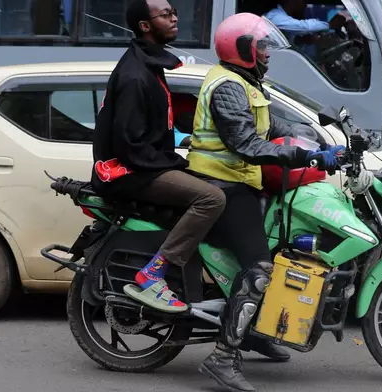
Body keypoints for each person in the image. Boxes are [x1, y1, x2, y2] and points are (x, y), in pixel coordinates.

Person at [189, 13, 344, 392]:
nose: (268, 53)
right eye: (261, 47)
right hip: (222, 186)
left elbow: (271, 126)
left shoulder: (246, 83)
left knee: (278, 249)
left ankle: (254, 330)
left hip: (243, 183)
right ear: (242, 49)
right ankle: (223, 357)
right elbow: (246, 144)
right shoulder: (227, 86)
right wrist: (305, 157)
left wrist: (314, 137)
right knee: (260, 269)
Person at [91, 0, 227, 313]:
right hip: (129, 173)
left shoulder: (149, 66)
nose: (174, 18)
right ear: (145, 26)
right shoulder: (135, 75)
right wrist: (177, 163)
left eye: (174, 11)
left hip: (143, 165)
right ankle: (153, 273)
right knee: (212, 199)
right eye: (166, 14)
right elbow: (131, 147)